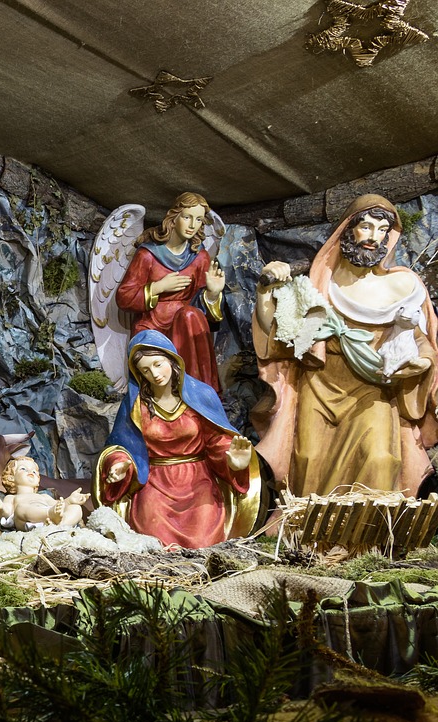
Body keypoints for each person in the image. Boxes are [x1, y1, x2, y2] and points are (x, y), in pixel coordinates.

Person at [252, 194, 438, 496]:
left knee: (380, 458)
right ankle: (310, 524)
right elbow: (280, 335)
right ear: (348, 230)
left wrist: (424, 362)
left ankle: (370, 526)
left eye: (382, 230)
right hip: (321, 385)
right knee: (308, 458)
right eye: (366, 227)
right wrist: (265, 292)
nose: (374, 237)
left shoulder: (400, 285)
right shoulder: (321, 283)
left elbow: (419, 338)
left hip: (373, 389)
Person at [94, 331, 258, 548]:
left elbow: (216, 440)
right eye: (145, 370)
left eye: (158, 364)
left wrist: (232, 461)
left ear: (172, 359)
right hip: (155, 484)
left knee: (202, 540)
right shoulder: (135, 406)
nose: (155, 374)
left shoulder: (201, 395)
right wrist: (119, 463)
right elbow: (123, 445)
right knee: (154, 539)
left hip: (198, 482)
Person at [116, 192, 226, 391]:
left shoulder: (199, 257)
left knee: (190, 315)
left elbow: (202, 311)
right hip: (152, 325)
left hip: (185, 326)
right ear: (173, 218)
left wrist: (212, 294)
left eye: (198, 219)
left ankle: (197, 394)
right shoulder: (148, 255)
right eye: (187, 217)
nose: (192, 225)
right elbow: (124, 297)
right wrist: (158, 287)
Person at [0, 456, 87, 531]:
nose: (30, 472)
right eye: (23, 469)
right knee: (20, 508)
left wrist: (70, 501)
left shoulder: (43, 496)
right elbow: (6, 513)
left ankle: (60, 526)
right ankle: (50, 515)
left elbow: (57, 506)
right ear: (11, 478)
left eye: (34, 471)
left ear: (38, 479)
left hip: (49, 522)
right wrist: (0, 508)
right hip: (28, 522)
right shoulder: (11, 498)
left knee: (76, 508)